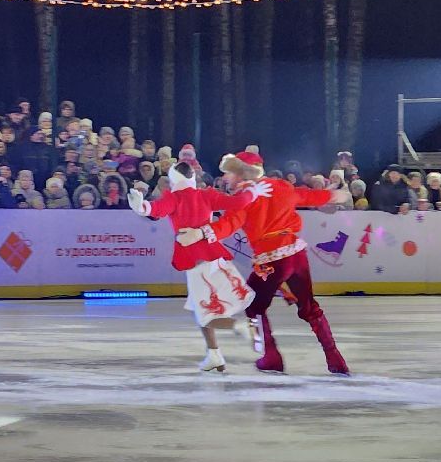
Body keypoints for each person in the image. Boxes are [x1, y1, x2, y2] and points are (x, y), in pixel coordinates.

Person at [180, 151, 352, 375]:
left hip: (271, 260)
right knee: (310, 308)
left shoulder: (244, 199)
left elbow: (228, 225)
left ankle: (271, 357)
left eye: (229, 174)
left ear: (242, 173)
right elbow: (306, 196)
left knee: (253, 306)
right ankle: (336, 360)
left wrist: (201, 234)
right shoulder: (280, 186)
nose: (225, 179)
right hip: (296, 254)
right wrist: (334, 196)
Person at [129, 162, 269, 372]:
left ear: (174, 179)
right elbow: (237, 202)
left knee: (205, 315)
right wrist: (253, 191)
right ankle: (214, 354)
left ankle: (239, 327)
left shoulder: (173, 198)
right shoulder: (206, 195)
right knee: (200, 309)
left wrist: (141, 207)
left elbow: (156, 210)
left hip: (196, 264)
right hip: (215, 258)